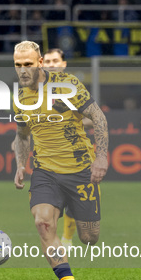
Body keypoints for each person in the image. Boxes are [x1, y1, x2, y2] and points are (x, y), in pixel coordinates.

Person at [12, 41, 109, 280]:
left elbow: (98, 117)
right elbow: (22, 136)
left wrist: (101, 158)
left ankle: (72, 207)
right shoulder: (20, 98)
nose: (23, 71)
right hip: (45, 171)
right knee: (43, 222)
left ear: (40, 63)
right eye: (18, 65)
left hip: (80, 169)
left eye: (28, 64)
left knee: (89, 237)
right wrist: (21, 164)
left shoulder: (67, 84)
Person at [41, 48, 92, 251]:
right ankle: (55, 240)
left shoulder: (74, 88)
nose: (51, 64)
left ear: (63, 64)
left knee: (74, 200)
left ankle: (67, 238)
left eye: (56, 61)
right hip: (48, 153)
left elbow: (91, 118)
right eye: (47, 61)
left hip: (74, 151)